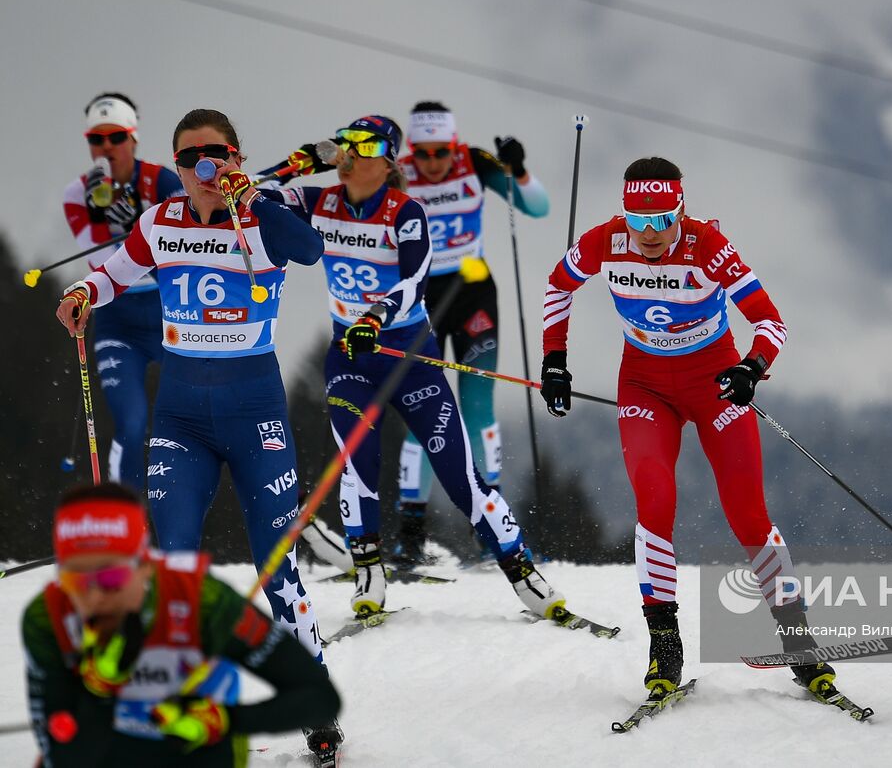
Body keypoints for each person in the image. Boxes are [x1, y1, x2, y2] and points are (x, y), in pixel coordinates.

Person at [55, 109, 342, 760]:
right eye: (191, 158)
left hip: (256, 415)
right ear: (177, 166)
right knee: (172, 563)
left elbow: (311, 249)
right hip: (182, 420)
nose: (204, 167)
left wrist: (256, 200)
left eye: (217, 154)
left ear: (236, 156)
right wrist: (80, 294)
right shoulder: (160, 222)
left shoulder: (261, 220)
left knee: (277, 567)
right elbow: (112, 274)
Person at [538, 157, 859, 711]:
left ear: (680, 212)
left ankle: (798, 640)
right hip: (643, 387)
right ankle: (665, 645)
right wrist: (554, 362)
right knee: (655, 501)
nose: (651, 235)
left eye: (663, 220)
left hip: (714, 386)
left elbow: (771, 321)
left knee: (748, 515)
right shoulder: (603, 242)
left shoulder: (708, 246)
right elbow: (557, 287)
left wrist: (751, 368)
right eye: (639, 223)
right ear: (624, 216)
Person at [279, 114, 566, 621]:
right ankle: (368, 570)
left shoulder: (405, 211)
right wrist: (292, 166)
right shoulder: (318, 201)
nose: (346, 152)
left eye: (360, 146)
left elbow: (415, 281)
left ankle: (520, 567)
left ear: (387, 160)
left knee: (458, 474)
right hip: (350, 357)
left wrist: (376, 314)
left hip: (408, 355)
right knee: (357, 461)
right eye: (342, 142)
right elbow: (248, 201)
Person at [22, 482, 340, 767]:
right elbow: (59, 746)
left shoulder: (199, 600)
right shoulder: (47, 617)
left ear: (146, 566)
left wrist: (224, 720)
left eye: (111, 577)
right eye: (75, 579)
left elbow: (319, 697)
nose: (95, 596)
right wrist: (100, 700)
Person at [391, 101, 550, 564]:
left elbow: (536, 207)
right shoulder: (396, 173)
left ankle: (490, 529)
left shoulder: (475, 163)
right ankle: (410, 534)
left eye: (443, 151)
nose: (434, 162)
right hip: (417, 297)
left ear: (455, 145)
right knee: (421, 410)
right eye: (424, 153)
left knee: (477, 406)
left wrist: (519, 172)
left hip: (473, 292)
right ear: (412, 151)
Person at [61, 93, 182, 490]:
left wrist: (139, 224)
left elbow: (187, 250)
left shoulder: (160, 181)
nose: (107, 147)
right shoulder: (78, 195)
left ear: (133, 138)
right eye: (97, 140)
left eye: (115, 136)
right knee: (131, 424)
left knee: (183, 420)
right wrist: (113, 224)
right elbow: (101, 267)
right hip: (119, 324)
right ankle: (125, 525)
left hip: (169, 317)